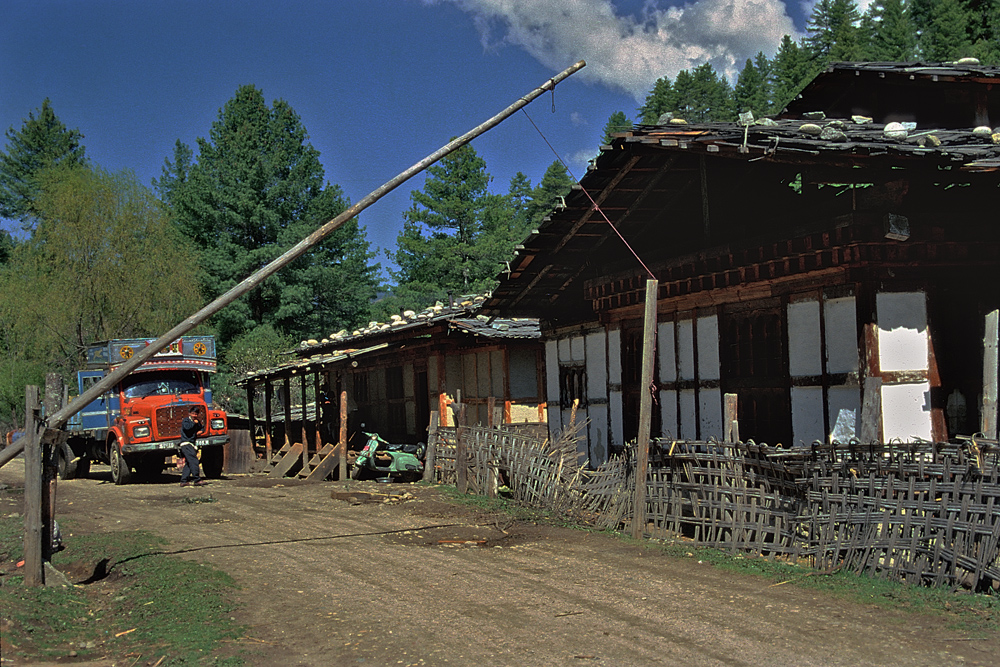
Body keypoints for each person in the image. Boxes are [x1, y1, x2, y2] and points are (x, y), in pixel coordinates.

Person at [179, 406, 208, 487]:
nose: (194, 415)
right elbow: (187, 428)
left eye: (196, 414)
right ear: (189, 413)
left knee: (189, 462)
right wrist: (193, 423)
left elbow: (202, 428)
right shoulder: (186, 421)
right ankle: (197, 479)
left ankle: (183, 481)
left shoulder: (197, 422)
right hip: (186, 443)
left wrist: (200, 431)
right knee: (194, 460)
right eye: (193, 413)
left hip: (192, 443)